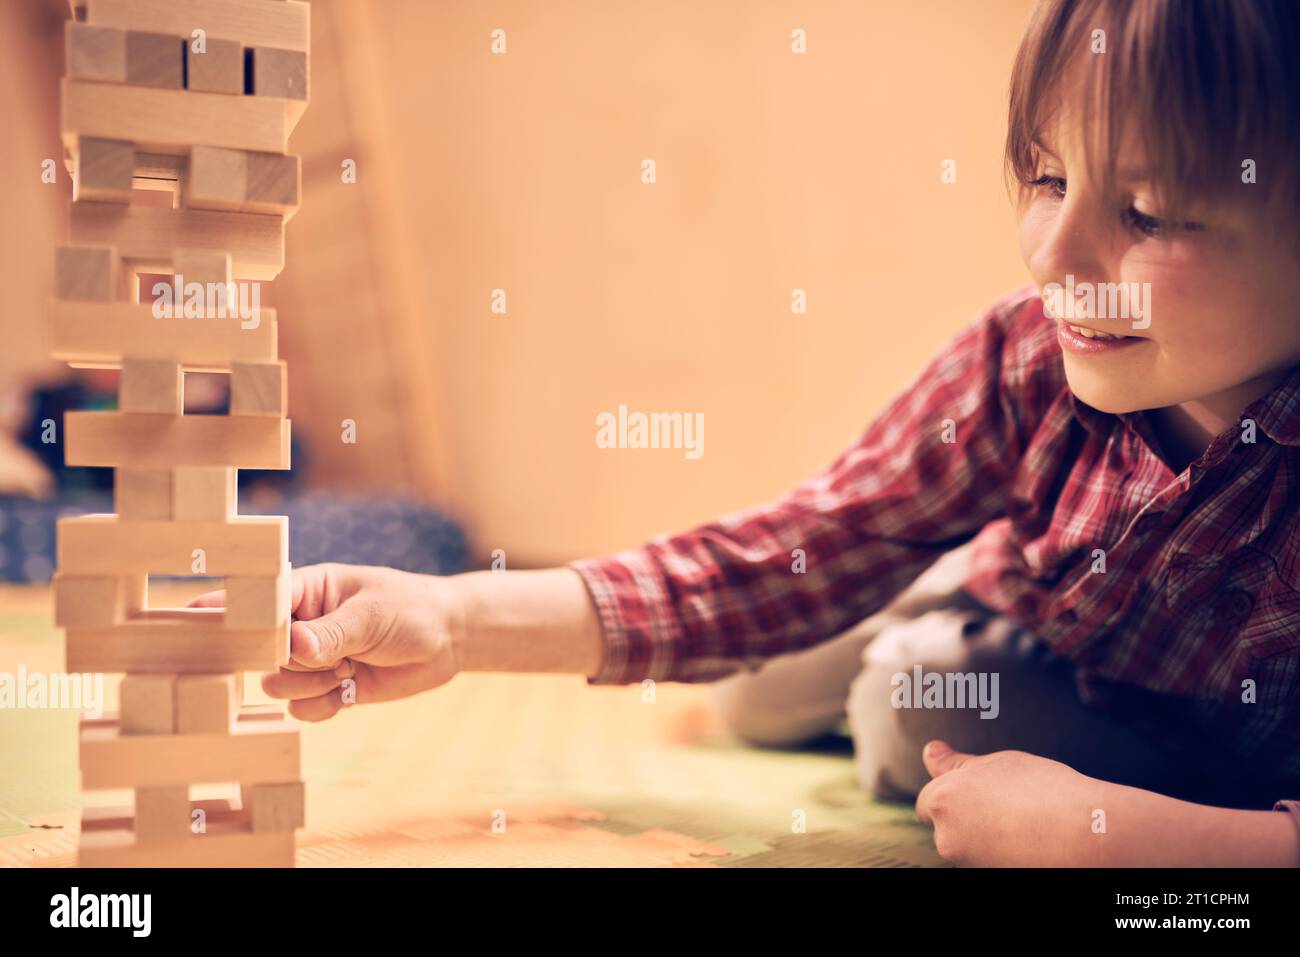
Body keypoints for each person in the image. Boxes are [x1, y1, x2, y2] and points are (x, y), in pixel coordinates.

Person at [196, 0, 1300, 865]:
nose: (1051, 257)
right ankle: (932, 575)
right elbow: (786, 549)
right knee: (759, 682)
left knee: (903, 700)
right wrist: (448, 614)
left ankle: (921, 609)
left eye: (1145, 214)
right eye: (1046, 178)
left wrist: (1110, 837)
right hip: (1021, 591)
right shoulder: (1024, 357)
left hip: (1133, 700)